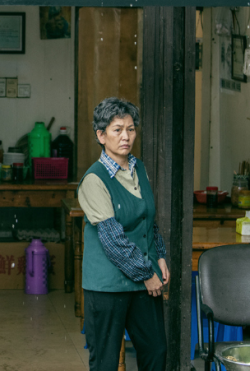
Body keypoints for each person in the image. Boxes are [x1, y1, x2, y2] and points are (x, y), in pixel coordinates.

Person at [76, 97, 168, 371]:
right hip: (107, 287)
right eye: (117, 130)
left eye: (130, 129)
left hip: (142, 280)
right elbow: (112, 240)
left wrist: (160, 255)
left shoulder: (139, 168)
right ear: (101, 135)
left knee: (155, 351)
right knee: (105, 361)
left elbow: (148, 219)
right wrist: (148, 274)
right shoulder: (95, 180)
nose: (126, 136)